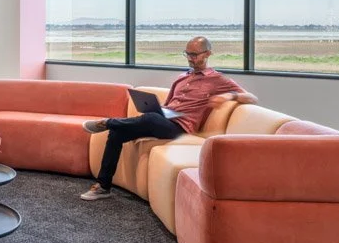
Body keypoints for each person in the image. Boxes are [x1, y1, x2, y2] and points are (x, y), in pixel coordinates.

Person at [79, 36, 258, 201]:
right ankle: (103, 186)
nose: (190, 58)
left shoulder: (217, 80)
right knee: (118, 132)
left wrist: (230, 96)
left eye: (195, 55)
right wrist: (159, 109)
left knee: (149, 119)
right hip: (164, 119)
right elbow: (169, 104)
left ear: (208, 54)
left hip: (179, 128)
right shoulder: (182, 77)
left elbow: (251, 97)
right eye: (187, 54)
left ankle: (107, 122)